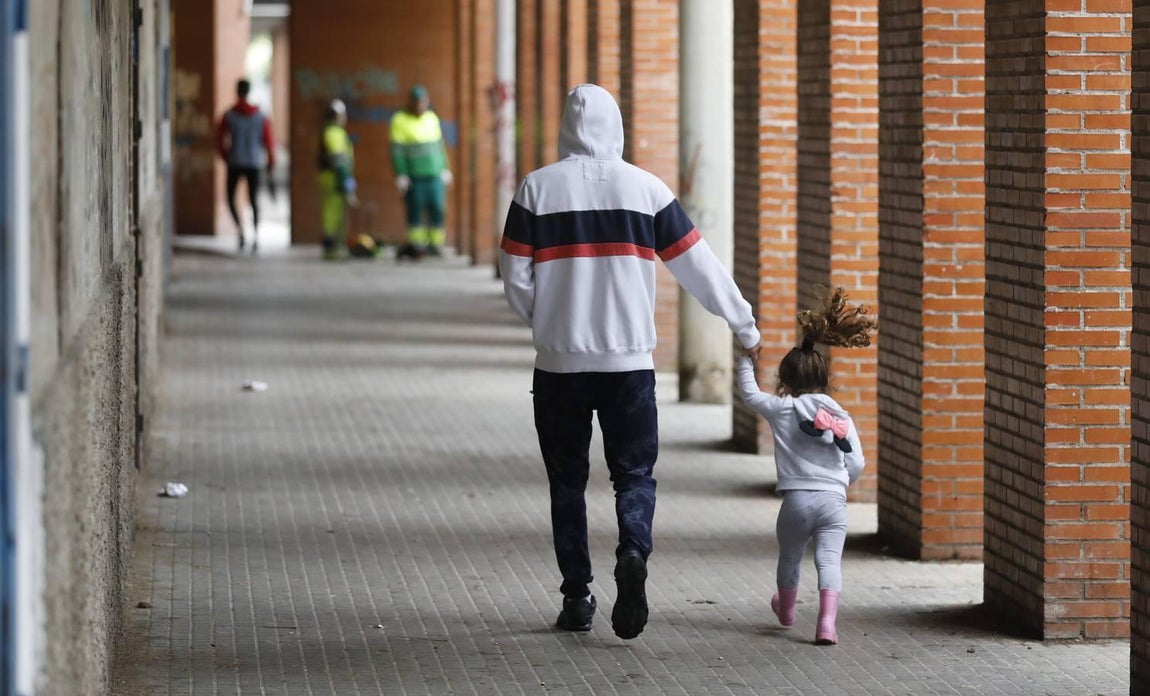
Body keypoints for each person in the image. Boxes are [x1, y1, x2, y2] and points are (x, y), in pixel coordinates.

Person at [499, 83, 761, 640]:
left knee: (566, 482)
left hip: (559, 368)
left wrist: (546, 322)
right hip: (630, 367)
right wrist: (742, 321)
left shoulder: (536, 189)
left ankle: (576, 597)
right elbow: (698, 264)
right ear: (616, 126)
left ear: (566, 129)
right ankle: (633, 551)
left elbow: (515, 275)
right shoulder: (647, 190)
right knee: (634, 475)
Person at [735, 287, 876, 646]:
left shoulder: (782, 408)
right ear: (826, 380)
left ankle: (787, 611)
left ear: (785, 382)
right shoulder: (840, 415)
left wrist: (745, 359)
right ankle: (826, 625)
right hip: (834, 500)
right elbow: (857, 461)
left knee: (791, 556)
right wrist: (843, 482)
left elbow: (750, 395)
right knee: (829, 563)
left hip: (797, 501)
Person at [390, 85, 452, 259]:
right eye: (417, 102)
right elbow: (397, 150)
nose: (420, 105)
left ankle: (435, 245)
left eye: (423, 102)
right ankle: (416, 246)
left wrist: (445, 168)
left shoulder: (432, 118)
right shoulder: (400, 120)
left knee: (438, 209)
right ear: (411, 102)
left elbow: (440, 147)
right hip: (415, 176)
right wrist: (401, 173)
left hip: (434, 175)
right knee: (415, 210)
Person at [216, 79, 275, 253]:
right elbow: (269, 142)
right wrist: (270, 163)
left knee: (230, 197)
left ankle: (241, 231)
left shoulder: (229, 115)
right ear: (249, 92)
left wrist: (226, 156)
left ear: (237, 91)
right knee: (254, 199)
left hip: (235, 161)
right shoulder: (260, 116)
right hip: (254, 163)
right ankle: (255, 236)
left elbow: (219, 140)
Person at [317, 99, 357, 260]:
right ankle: (331, 248)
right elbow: (339, 160)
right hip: (333, 178)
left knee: (331, 212)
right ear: (339, 116)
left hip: (330, 177)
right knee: (333, 213)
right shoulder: (334, 133)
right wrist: (346, 182)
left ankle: (331, 247)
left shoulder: (329, 131)